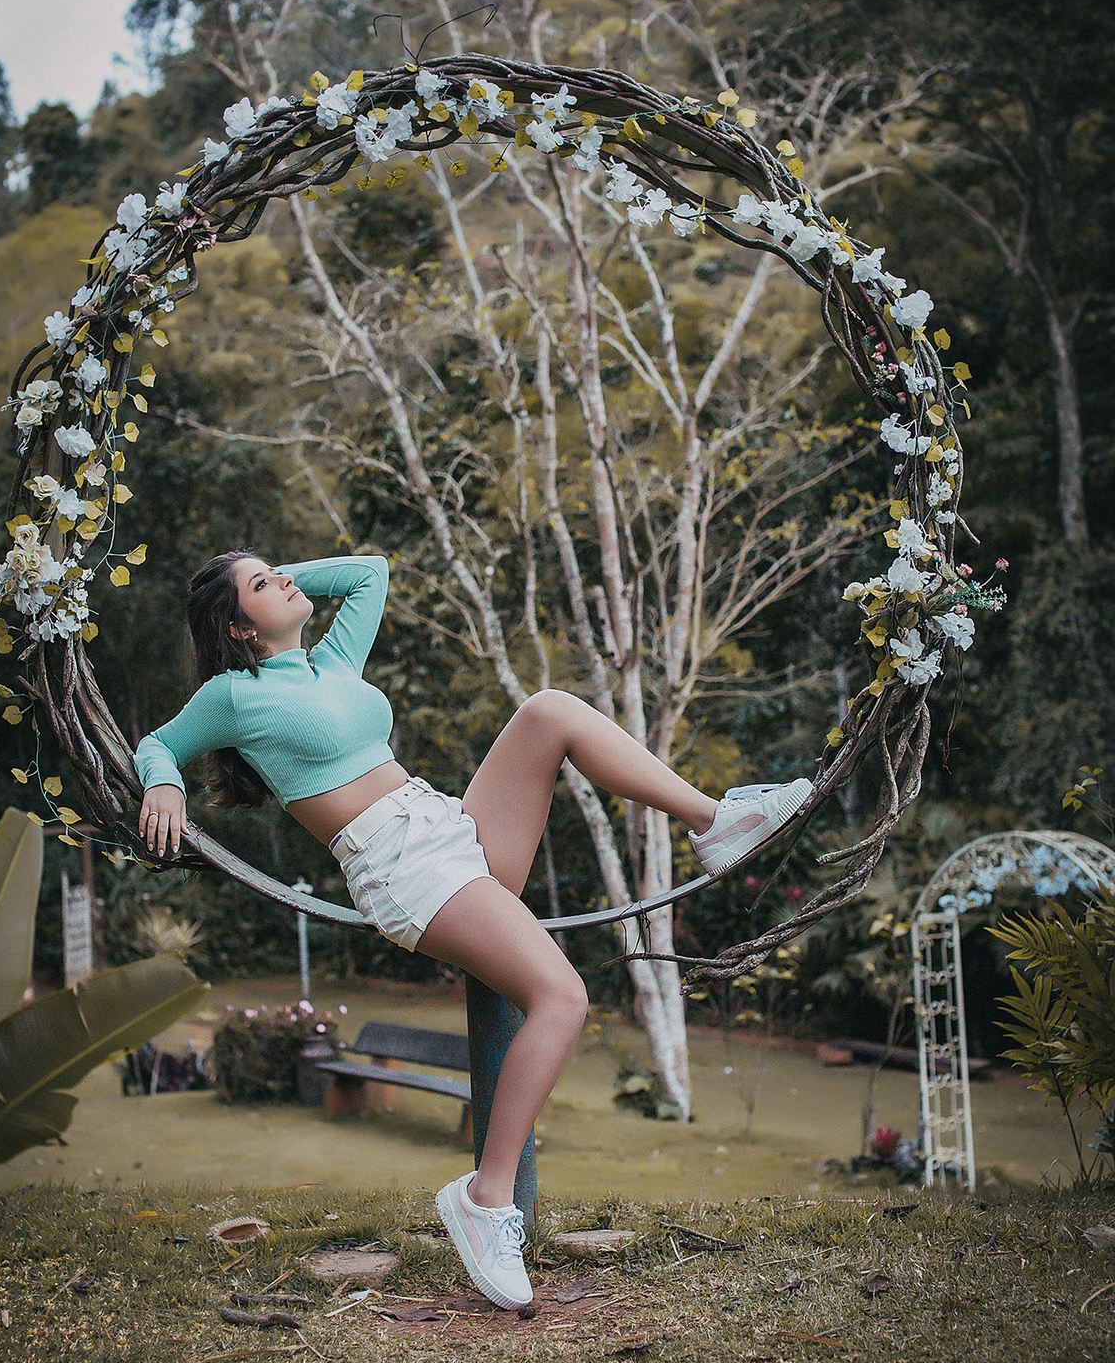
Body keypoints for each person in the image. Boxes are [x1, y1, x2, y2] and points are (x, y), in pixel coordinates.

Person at [135, 552, 812, 1308]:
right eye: (262, 585)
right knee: (562, 997)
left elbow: (370, 573)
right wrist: (162, 783)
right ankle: (485, 1198)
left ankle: (715, 822)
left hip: (446, 823)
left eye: (279, 572)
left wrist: (274, 578)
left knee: (550, 711)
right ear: (236, 627)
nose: (287, 582)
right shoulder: (236, 693)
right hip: (401, 866)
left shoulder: (331, 663)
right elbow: (158, 743)